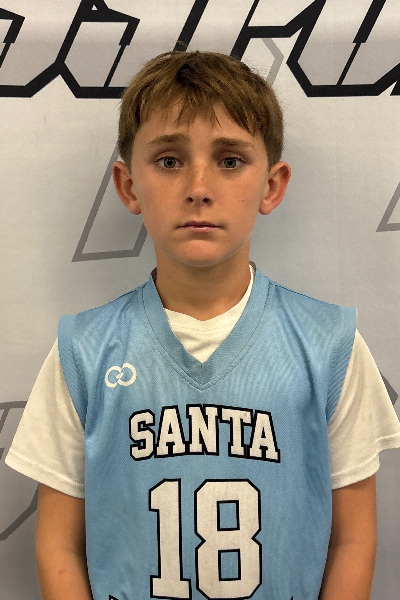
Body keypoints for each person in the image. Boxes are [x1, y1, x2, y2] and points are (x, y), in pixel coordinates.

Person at [5, 50, 400, 600]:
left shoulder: (328, 345)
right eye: (169, 160)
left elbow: (352, 541)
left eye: (230, 160)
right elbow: (58, 546)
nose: (199, 186)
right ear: (128, 185)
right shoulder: (84, 352)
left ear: (271, 185)